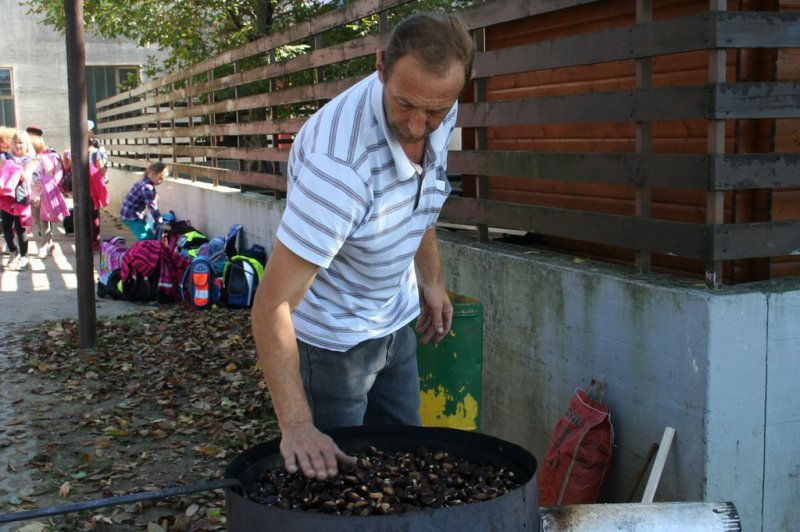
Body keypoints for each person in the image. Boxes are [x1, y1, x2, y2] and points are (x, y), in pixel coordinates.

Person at [251, 12, 474, 480]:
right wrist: (296, 425)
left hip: (394, 322)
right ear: (380, 67)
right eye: (405, 104)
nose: (418, 126)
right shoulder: (339, 168)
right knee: (337, 484)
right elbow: (271, 305)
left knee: (403, 465)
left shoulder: (436, 99)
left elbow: (421, 193)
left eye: (434, 112)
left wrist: (430, 279)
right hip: (332, 346)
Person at [0, 130, 36, 270]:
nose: (17, 145)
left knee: (20, 228)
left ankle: (24, 256)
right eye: (15, 142)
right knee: (6, 227)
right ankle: (12, 251)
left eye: (21, 142)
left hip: (21, 194)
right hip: (6, 196)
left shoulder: (31, 158)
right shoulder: (5, 156)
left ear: (26, 144)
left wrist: (14, 167)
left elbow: (26, 177)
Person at [120, 161, 167, 240]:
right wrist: (160, 222)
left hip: (131, 214)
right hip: (131, 217)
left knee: (150, 236)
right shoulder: (147, 187)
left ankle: (150, 249)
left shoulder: (142, 183)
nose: (161, 181)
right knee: (144, 239)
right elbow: (152, 207)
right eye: (161, 178)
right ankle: (140, 251)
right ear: (156, 174)